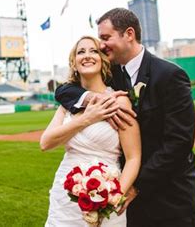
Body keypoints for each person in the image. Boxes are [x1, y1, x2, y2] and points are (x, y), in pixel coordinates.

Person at [55, 8, 195, 227]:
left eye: (105, 38)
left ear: (129, 34)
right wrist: (99, 99)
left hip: (169, 194)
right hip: (127, 198)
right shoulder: (111, 74)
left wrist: (135, 186)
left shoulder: (170, 75)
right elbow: (64, 91)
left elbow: (179, 142)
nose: (101, 46)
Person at [41, 36, 142, 226]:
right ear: (74, 63)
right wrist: (88, 118)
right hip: (65, 197)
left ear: (103, 60)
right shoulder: (68, 104)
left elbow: (133, 157)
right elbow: (45, 143)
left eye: (93, 51)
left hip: (108, 191)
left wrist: (114, 196)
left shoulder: (118, 101)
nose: (87, 56)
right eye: (81, 52)